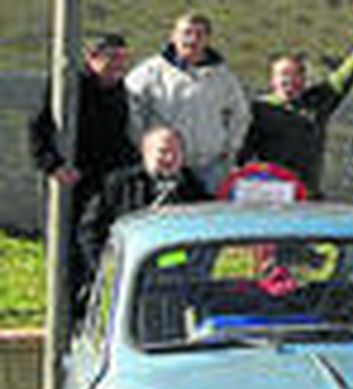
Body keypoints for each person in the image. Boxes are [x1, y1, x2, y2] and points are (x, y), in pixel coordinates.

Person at [240, 12, 353, 197]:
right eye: (283, 75)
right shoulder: (260, 109)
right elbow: (243, 152)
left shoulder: (317, 102)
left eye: (295, 74)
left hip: (309, 195)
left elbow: (342, 78)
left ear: (304, 79)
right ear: (273, 80)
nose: (289, 80)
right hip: (273, 193)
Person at [124, 12, 250, 193]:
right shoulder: (148, 73)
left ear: (207, 39)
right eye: (186, 33)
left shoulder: (224, 77)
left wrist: (229, 148)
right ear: (174, 36)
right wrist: (145, 147)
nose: (192, 39)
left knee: (207, 218)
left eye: (199, 34)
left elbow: (240, 115)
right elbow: (132, 110)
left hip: (210, 167)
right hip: (164, 166)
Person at [29, 33, 137, 235]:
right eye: (112, 57)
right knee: (68, 235)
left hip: (104, 178)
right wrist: (53, 165)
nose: (119, 65)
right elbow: (38, 127)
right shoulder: (69, 85)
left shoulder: (118, 89)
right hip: (72, 174)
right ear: (92, 58)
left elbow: (118, 135)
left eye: (124, 58)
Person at [81, 127, 207, 280]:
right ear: (146, 153)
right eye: (163, 151)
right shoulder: (118, 185)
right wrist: (106, 269)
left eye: (176, 152)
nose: (169, 158)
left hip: (176, 274)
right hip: (128, 273)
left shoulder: (194, 189)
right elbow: (89, 230)